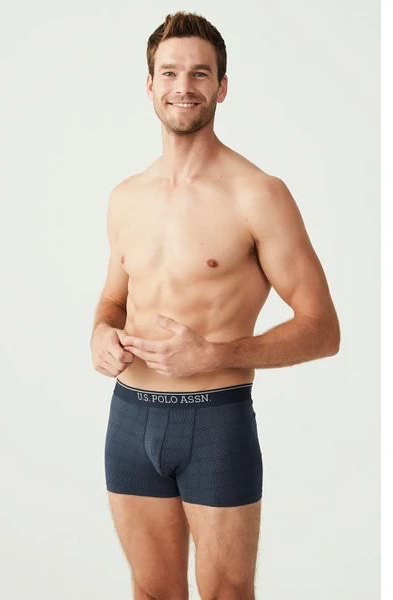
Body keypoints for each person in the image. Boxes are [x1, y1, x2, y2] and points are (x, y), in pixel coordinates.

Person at [90, 10, 340, 600]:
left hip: (215, 419)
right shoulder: (125, 197)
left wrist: (214, 354)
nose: (184, 86)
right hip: (129, 417)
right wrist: (100, 331)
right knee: (152, 592)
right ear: (149, 84)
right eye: (170, 72)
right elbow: (112, 298)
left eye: (200, 74)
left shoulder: (259, 195)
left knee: (227, 592)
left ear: (222, 87)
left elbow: (323, 329)